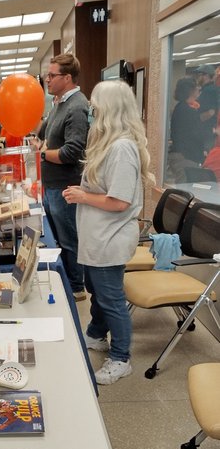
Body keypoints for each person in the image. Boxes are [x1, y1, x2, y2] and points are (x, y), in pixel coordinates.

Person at [63, 81, 154, 385]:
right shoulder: (108, 143)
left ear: (110, 109)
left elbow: (120, 201)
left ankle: (121, 358)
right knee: (97, 290)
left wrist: (83, 197)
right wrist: (83, 191)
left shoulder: (122, 148)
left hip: (110, 238)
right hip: (97, 236)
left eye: (95, 106)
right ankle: (96, 334)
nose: (90, 111)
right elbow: (105, 188)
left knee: (111, 297)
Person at [38, 53, 89, 301]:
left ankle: (76, 287)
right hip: (51, 186)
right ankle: (65, 280)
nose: (47, 80)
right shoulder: (59, 103)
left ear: (67, 77)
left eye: (52, 75)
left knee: (69, 239)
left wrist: (44, 154)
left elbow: (72, 151)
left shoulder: (78, 106)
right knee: (56, 237)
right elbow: (44, 133)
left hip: (65, 186)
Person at [167, 76, 204, 183]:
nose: (199, 90)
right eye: (197, 88)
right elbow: (195, 134)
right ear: (190, 90)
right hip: (186, 156)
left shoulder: (181, 108)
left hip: (182, 155)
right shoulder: (187, 111)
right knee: (186, 190)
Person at [193, 64, 218, 153]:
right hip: (209, 131)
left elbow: (210, 112)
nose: (197, 78)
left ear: (206, 76)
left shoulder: (209, 91)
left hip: (206, 132)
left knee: (205, 156)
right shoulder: (210, 89)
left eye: (199, 75)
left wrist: (194, 121)